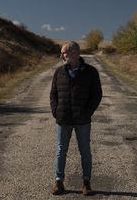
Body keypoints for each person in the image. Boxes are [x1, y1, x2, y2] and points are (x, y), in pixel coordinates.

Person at [50, 41, 102, 196]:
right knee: (61, 151)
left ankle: (86, 183)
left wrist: (88, 112)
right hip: (63, 119)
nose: (61, 56)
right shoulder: (59, 72)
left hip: (82, 120)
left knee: (85, 151)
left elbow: (97, 95)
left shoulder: (90, 71)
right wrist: (56, 111)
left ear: (74, 53)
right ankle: (59, 182)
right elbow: (53, 94)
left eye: (64, 52)